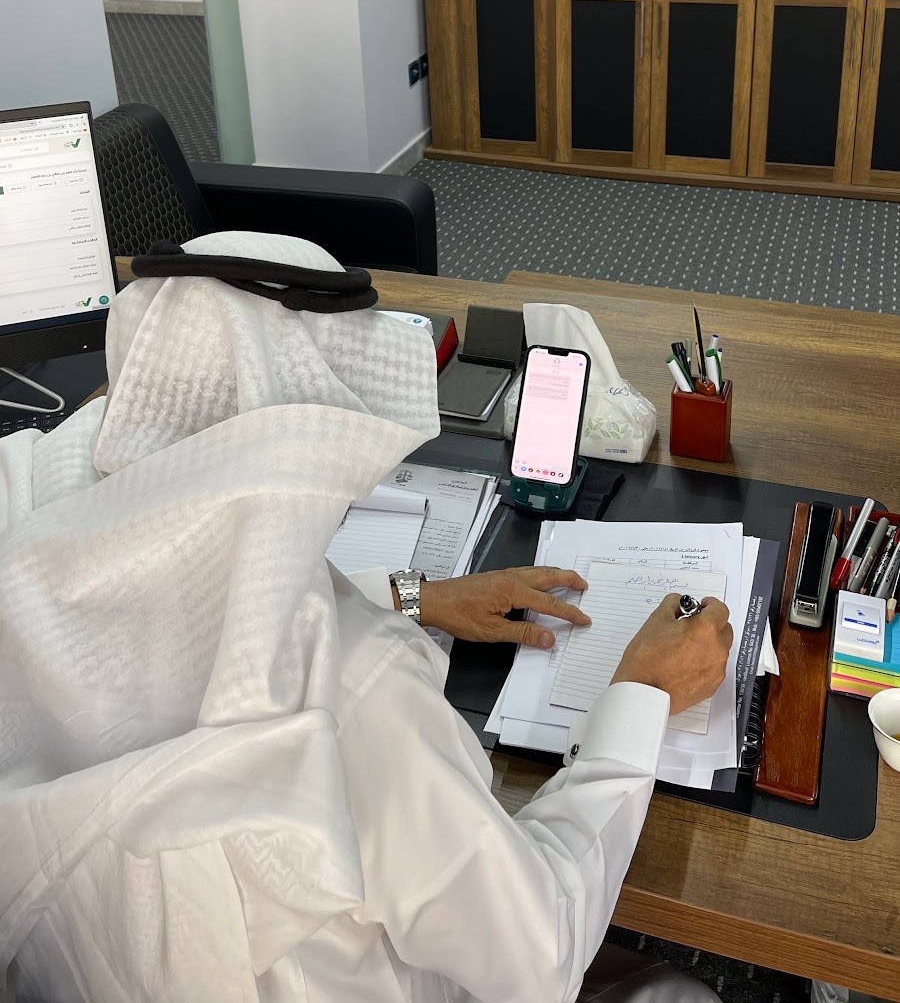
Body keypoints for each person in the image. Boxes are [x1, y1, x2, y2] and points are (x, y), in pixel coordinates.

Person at [0, 232, 731, 1003]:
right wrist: (642, 697)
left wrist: (416, 597)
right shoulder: (358, 697)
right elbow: (541, 953)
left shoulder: (22, 518)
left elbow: (201, 606)